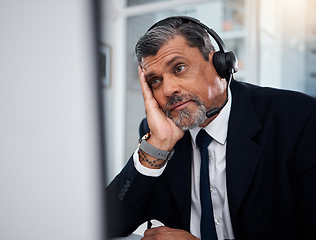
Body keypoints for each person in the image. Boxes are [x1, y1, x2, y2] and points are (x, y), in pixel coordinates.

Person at [106, 16, 316, 240]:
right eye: (155, 81)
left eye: (179, 68)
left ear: (219, 64)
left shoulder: (298, 117)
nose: (168, 89)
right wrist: (157, 146)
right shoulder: (158, 134)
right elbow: (108, 224)